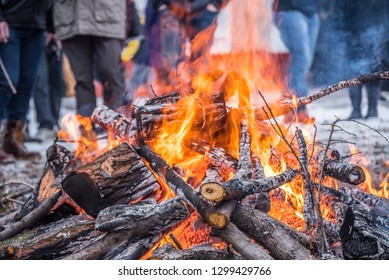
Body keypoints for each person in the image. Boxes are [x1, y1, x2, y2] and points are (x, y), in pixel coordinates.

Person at [0, 0, 54, 161]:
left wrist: (52, 28)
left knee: (27, 83)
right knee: (7, 82)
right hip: (9, 22)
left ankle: (13, 140)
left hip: (37, 26)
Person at [53, 0, 126, 118]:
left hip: (108, 16)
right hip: (71, 19)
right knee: (82, 79)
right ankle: (86, 126)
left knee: (110, 72)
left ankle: (115, 122)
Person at [273, 0, 321, 122]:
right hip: (290, 10)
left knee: (305, 62)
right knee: (301, 60)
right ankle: (297, 109)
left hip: (312, 11)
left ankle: (291, 108)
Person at [341, 0, 388, 119]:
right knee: (352, 66)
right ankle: (356, 109)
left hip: (377, 26)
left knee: (374, 65)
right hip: (352, 28)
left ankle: (373, 109)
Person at [32, 35, 65, 140]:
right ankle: (45, 124)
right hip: (37, 32)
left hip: (58, 34)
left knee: (57, 81)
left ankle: (54, 122)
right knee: (40, 80)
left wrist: (57, 33)